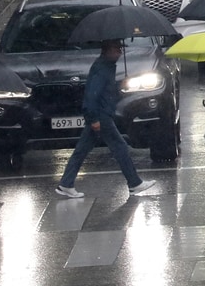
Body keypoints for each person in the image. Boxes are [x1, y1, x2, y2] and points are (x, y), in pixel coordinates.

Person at [55, 40, 158, 198]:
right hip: (101, 115)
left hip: (100, 114)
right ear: (108, 50)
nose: (120, 53)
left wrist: (119, 86)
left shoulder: (105, 67)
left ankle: (66, 183)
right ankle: (134, 183)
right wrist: (93, 117)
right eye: (117, 49)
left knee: (82, 151)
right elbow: (92, 95)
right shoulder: (102, 68)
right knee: (120, 147)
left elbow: (104, 92)